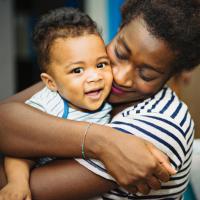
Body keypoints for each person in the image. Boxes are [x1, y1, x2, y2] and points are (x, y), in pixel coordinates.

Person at [0, 0, 199, 199]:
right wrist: (102, 141)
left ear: (171, 75)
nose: (120, 77)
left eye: (146, 74)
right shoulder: (92, 76)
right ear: (119, 30)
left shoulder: (161, 123)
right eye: (120, 54)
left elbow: (28, 191)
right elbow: (5, 116)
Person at [0, 7, 114, 200]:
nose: (95, 77)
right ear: (51, 82)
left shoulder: (112, 98)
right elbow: (20, 149)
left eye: (101, 64)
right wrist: (17, 182)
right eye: (77, 70)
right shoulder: (47, 104)